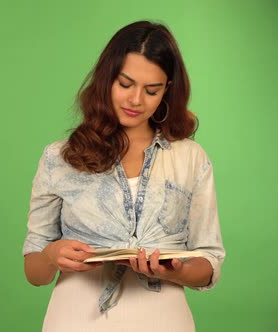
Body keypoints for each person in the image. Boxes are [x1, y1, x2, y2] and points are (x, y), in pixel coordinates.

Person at [22, 21, 225, 332]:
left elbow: (208, 262)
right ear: (107, 79)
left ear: (167, 90)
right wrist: (51, 255)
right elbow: (34, 271)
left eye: (151, 90)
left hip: (164, 320)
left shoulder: (190, 159)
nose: (136, 100)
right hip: (74, 319)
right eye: (125, 84)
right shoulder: (59, 157)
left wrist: (173, 272)